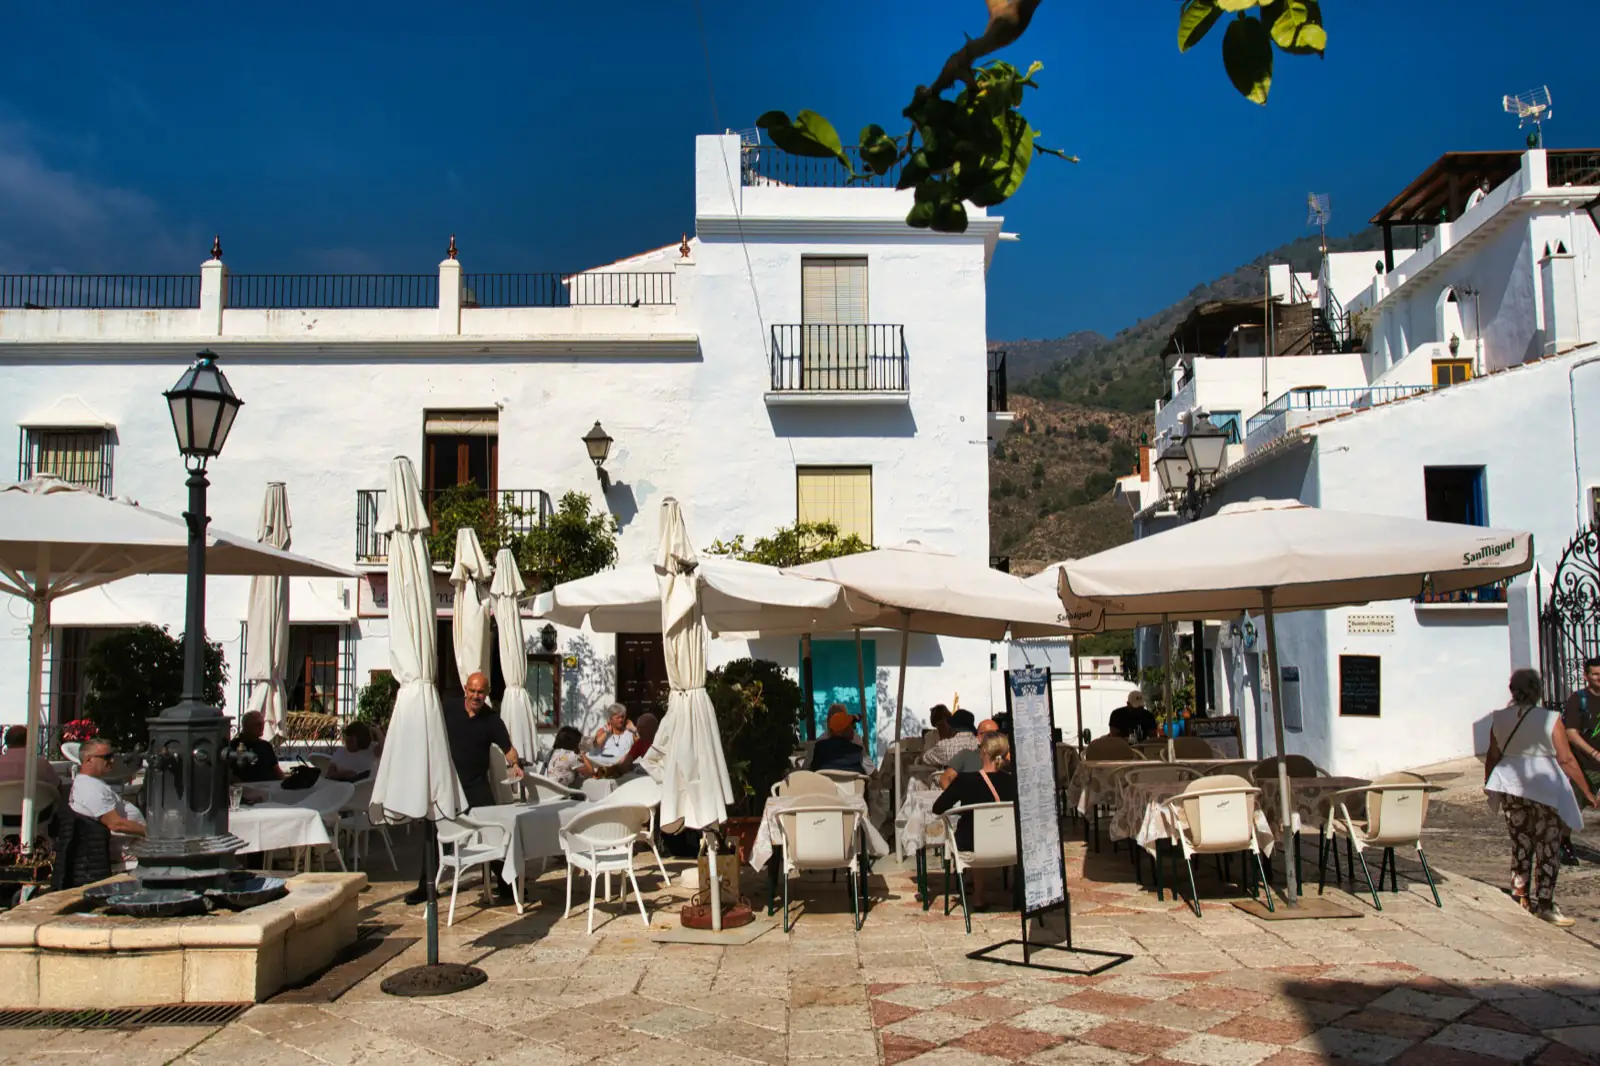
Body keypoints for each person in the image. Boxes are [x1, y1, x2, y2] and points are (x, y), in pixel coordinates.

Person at [1484, 667, 1594, 927]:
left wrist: (1488, 782)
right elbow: (1566, 758)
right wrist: (1586, 791)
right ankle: (1545, 903)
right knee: (1548, 843)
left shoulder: (1499, 717)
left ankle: (1520, 894)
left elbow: (1493, 754)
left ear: (1512, 690)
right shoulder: (1549, 718)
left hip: (1510, 782)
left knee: (1521, 840)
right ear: (1537, 690)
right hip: (1543, 784)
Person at [405, 671, 524, 905]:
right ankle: (426, 886)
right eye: (472, 691)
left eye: (481, 692)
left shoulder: (492, 719)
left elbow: (508, 749)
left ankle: (506, 885)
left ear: (487, 694)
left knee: (496, 830)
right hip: (447, 783)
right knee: (437, 833)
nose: (476, 696)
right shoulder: (447, 710)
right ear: (465, 690)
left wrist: (516, 764)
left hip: (476, 784)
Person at [932, 732, 1017, 909]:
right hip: (1010, 846)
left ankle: (978, 897)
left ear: (983, 752)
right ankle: (1014, 893)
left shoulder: (966, 780)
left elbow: (938, 808)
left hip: (973, 847)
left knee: (976, 832)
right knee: (986, 831)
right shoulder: (1014, 781)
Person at [69, 738, 145, 863]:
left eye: (112, 756)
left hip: (131, 843)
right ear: (88, 759)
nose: (112, 760)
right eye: (107, 757)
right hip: (127, 848)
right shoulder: (91, 788)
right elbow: (115, 824)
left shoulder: (89, 783)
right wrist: (151, 834)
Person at [1560, 657, 1600, 866]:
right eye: (1595, 674)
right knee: (1575, 806)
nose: (1599, 678)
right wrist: (1593, 753)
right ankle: (1562, 840)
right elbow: (1571, 733)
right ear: (1586, 676)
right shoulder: (1578, 700)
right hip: (1584, 765)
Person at [0, 725, 61, 792]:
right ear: (28, 740)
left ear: (6, 741)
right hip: (38, 802)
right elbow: (57, 785)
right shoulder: (41, 764)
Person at [810, 707, 870, 774]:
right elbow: (872, 771)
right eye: (850, 726)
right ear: (844, 730)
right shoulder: (857, 750)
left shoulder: (819, 747)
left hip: (824, 783)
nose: (853, 730)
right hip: (853, 784)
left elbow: (812, 768)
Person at [229, 711, 283, 783]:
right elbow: (226, 772)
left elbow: (276, 770)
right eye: (258, 724)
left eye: (262, 724)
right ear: (247, 726)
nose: (262, 727)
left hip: (268, 787)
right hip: (245, 788)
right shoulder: (234, 746)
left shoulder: (265, 745)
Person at [588, 704, 638, 768]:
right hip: (608, 768)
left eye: (622, 717)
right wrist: (606, 733)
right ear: (611, 719)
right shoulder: (602, 731)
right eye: (618, 717)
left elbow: (642, 745)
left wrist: (634, 730)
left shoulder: (630, 732)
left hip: (626, 769)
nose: (621, 720)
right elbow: (595, 746)